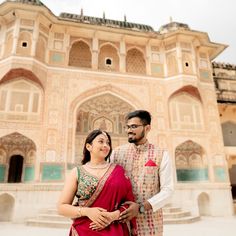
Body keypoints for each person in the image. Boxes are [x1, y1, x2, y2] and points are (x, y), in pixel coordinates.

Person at [57, 129, 137, 236]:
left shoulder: (119, 171)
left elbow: (130, 203)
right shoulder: (77, 172)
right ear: (88, 146)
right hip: (83, 231)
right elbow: (62, 207)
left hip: (115, 230)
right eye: (101, 141)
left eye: (108, 143)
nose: (106, 145)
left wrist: (113, 216)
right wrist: (87, 211)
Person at [111, 110, 174, 236]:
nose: (129, 130)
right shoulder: (117, 153)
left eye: (134, 126)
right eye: (127, 127)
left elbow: (168, 190)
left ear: (147, 128)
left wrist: (141, 207)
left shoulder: (161, 154)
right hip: (121, 220)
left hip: (150, 222)